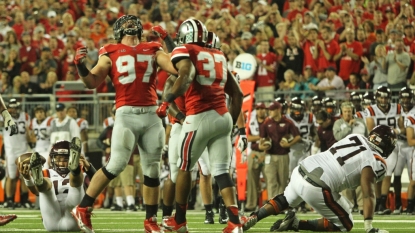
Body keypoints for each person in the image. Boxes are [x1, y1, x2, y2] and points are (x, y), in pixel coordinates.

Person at [71, 15, 177, 233]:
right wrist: (80, 66)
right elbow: (91, 82)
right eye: (125, 23)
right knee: (117, 163)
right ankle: (83, 208)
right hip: (126, 113)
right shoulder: (109, 51)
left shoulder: (153, 47)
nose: (130, 25)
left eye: (133, 22)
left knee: (152, 169)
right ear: (118, 31)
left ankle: (150, 221)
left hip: (151, 114)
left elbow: (177, 67)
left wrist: (168, 41)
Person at [156, 19, 243, 232]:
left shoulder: (186, 50)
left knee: (184, 168)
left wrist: (167, 100)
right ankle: (235, 222)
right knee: (222, 172)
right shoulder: (219, 55)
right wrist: (230, 122)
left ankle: (180, 220)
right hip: (223, 116)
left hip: (198, 117)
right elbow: (238, 94)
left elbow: (185, 76)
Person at [243, 125, 395, 233]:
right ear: (385, 143)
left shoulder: (356, 136)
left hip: (303, 169)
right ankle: (297, 224)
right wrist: (369, 227)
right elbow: (368, 193)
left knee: (285, 200)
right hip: (318, 185)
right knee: (346, 224)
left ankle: (253, 217)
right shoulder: (376, 160)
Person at [19, 138, 96, 232]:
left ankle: (74, 170)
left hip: (66, 219)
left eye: (66, 159)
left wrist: (87, 166)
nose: (62, 163)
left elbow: (97, 182)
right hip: (56, 218)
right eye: (58, 159)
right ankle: (41, 181)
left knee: (75, 180)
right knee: (46, 183)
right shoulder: (46, 172)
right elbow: (36, 191)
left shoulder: (83, 175)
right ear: (52, 159)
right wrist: (27, 178)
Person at [365, 86, 404, 215]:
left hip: (392, 146)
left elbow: (402, 127)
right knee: (377, 174)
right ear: (376, 98)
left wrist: (396, 131)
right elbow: (371, 130)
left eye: (385, 97)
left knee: (388, 172)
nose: (383, 99)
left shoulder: (397, 108)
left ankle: (382, 203)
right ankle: (377, 202)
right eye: (381, 96)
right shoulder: (371, 110)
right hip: (376, 146)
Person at [0, 99, 32, 209]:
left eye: (15, 107)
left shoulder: (25, 116)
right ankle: (9, 200)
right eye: (11, 107)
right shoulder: (4, 116)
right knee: (11, 177)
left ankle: (24, 200)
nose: (13, 110)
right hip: (11, 151)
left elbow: (28, 132)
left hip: (24, 150)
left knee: (25, 176)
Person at [391, 87, 415, 214]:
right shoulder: (395, 111)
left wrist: (401, 130)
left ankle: (411, 204)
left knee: (413, 177)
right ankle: (398, 204)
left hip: (412, 146)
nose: (406, 100)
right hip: (400, 144)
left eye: (408, 97)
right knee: (397, 174)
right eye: (403, 97)